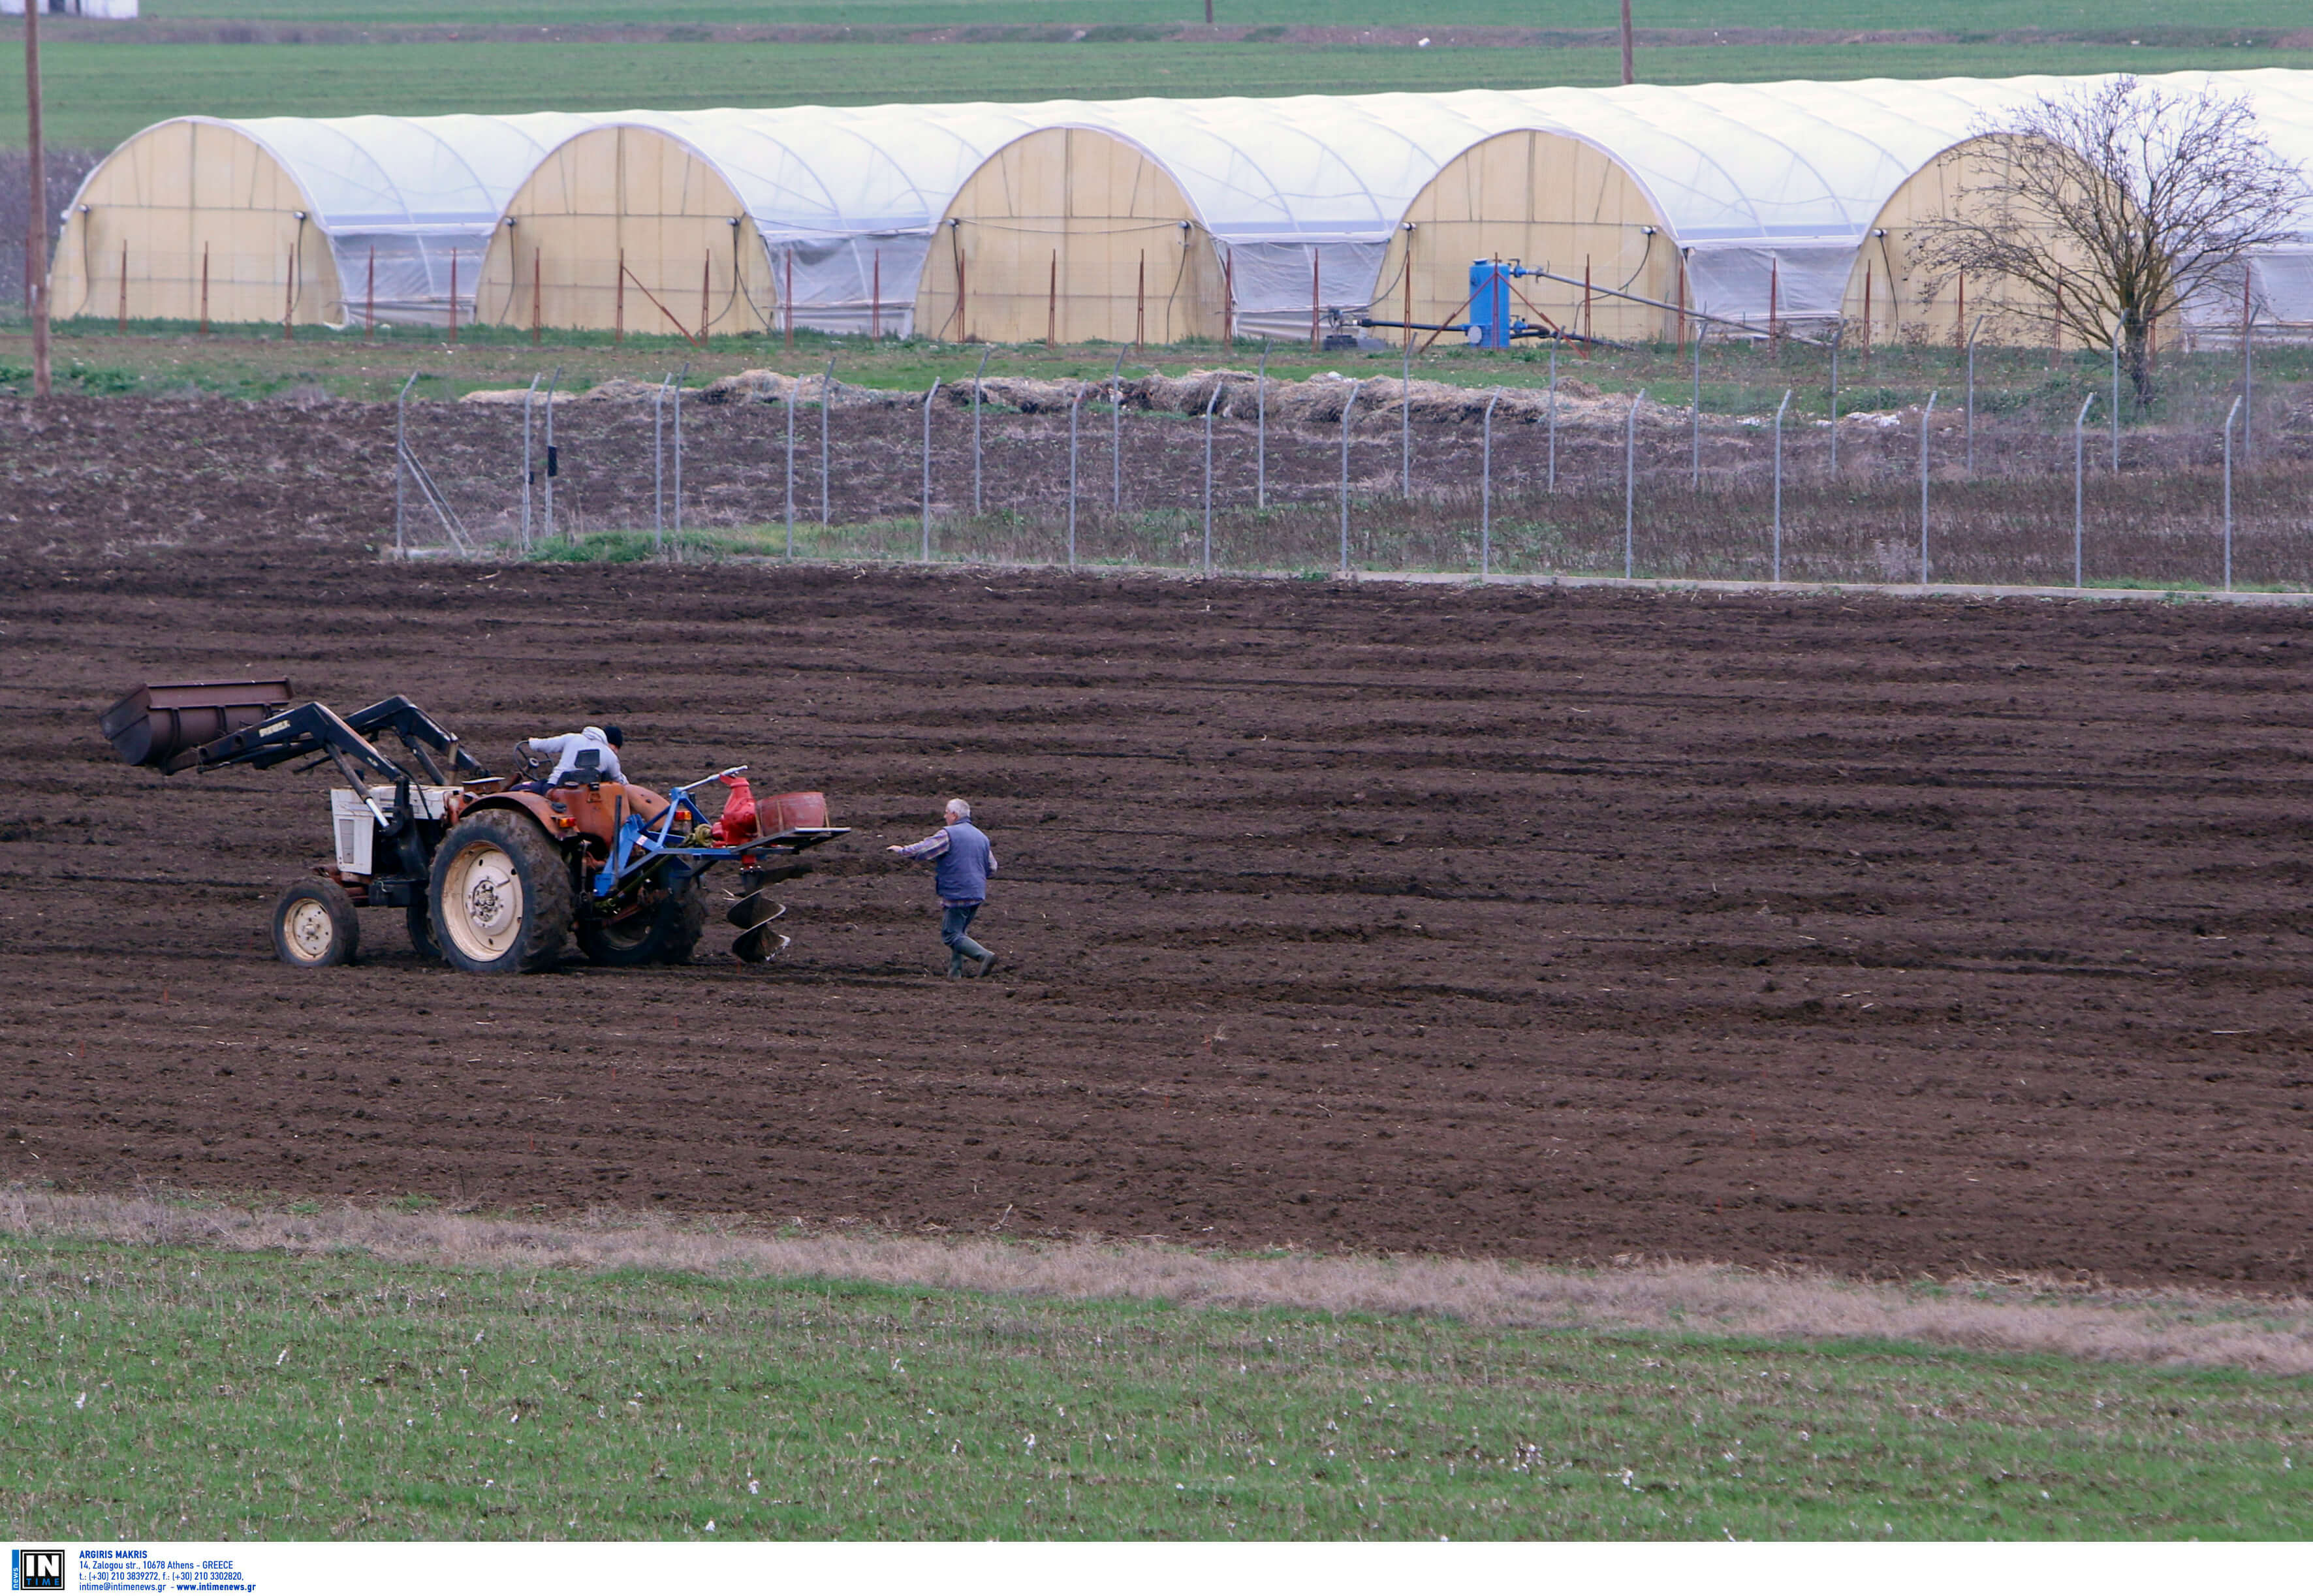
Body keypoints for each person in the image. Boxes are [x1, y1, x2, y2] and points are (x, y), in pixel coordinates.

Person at [889, 798, 998, 978]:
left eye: (947, 812)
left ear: (954, 815)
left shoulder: (949, 834)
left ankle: (985, 956)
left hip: (957, 892)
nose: (944, 816)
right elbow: (992, 867)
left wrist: (902, 850)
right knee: (960, 933)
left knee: (950, 935)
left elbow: (925, 850)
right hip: (977, 893)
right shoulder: (982, 837)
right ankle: (955, 974)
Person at [517, 724, 625, 791]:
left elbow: (544, 744)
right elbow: (619, 780)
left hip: (555, 788)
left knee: (516, 789)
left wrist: (532, 742)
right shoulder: (610, 755)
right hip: (587, 795)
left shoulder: (572, 738)